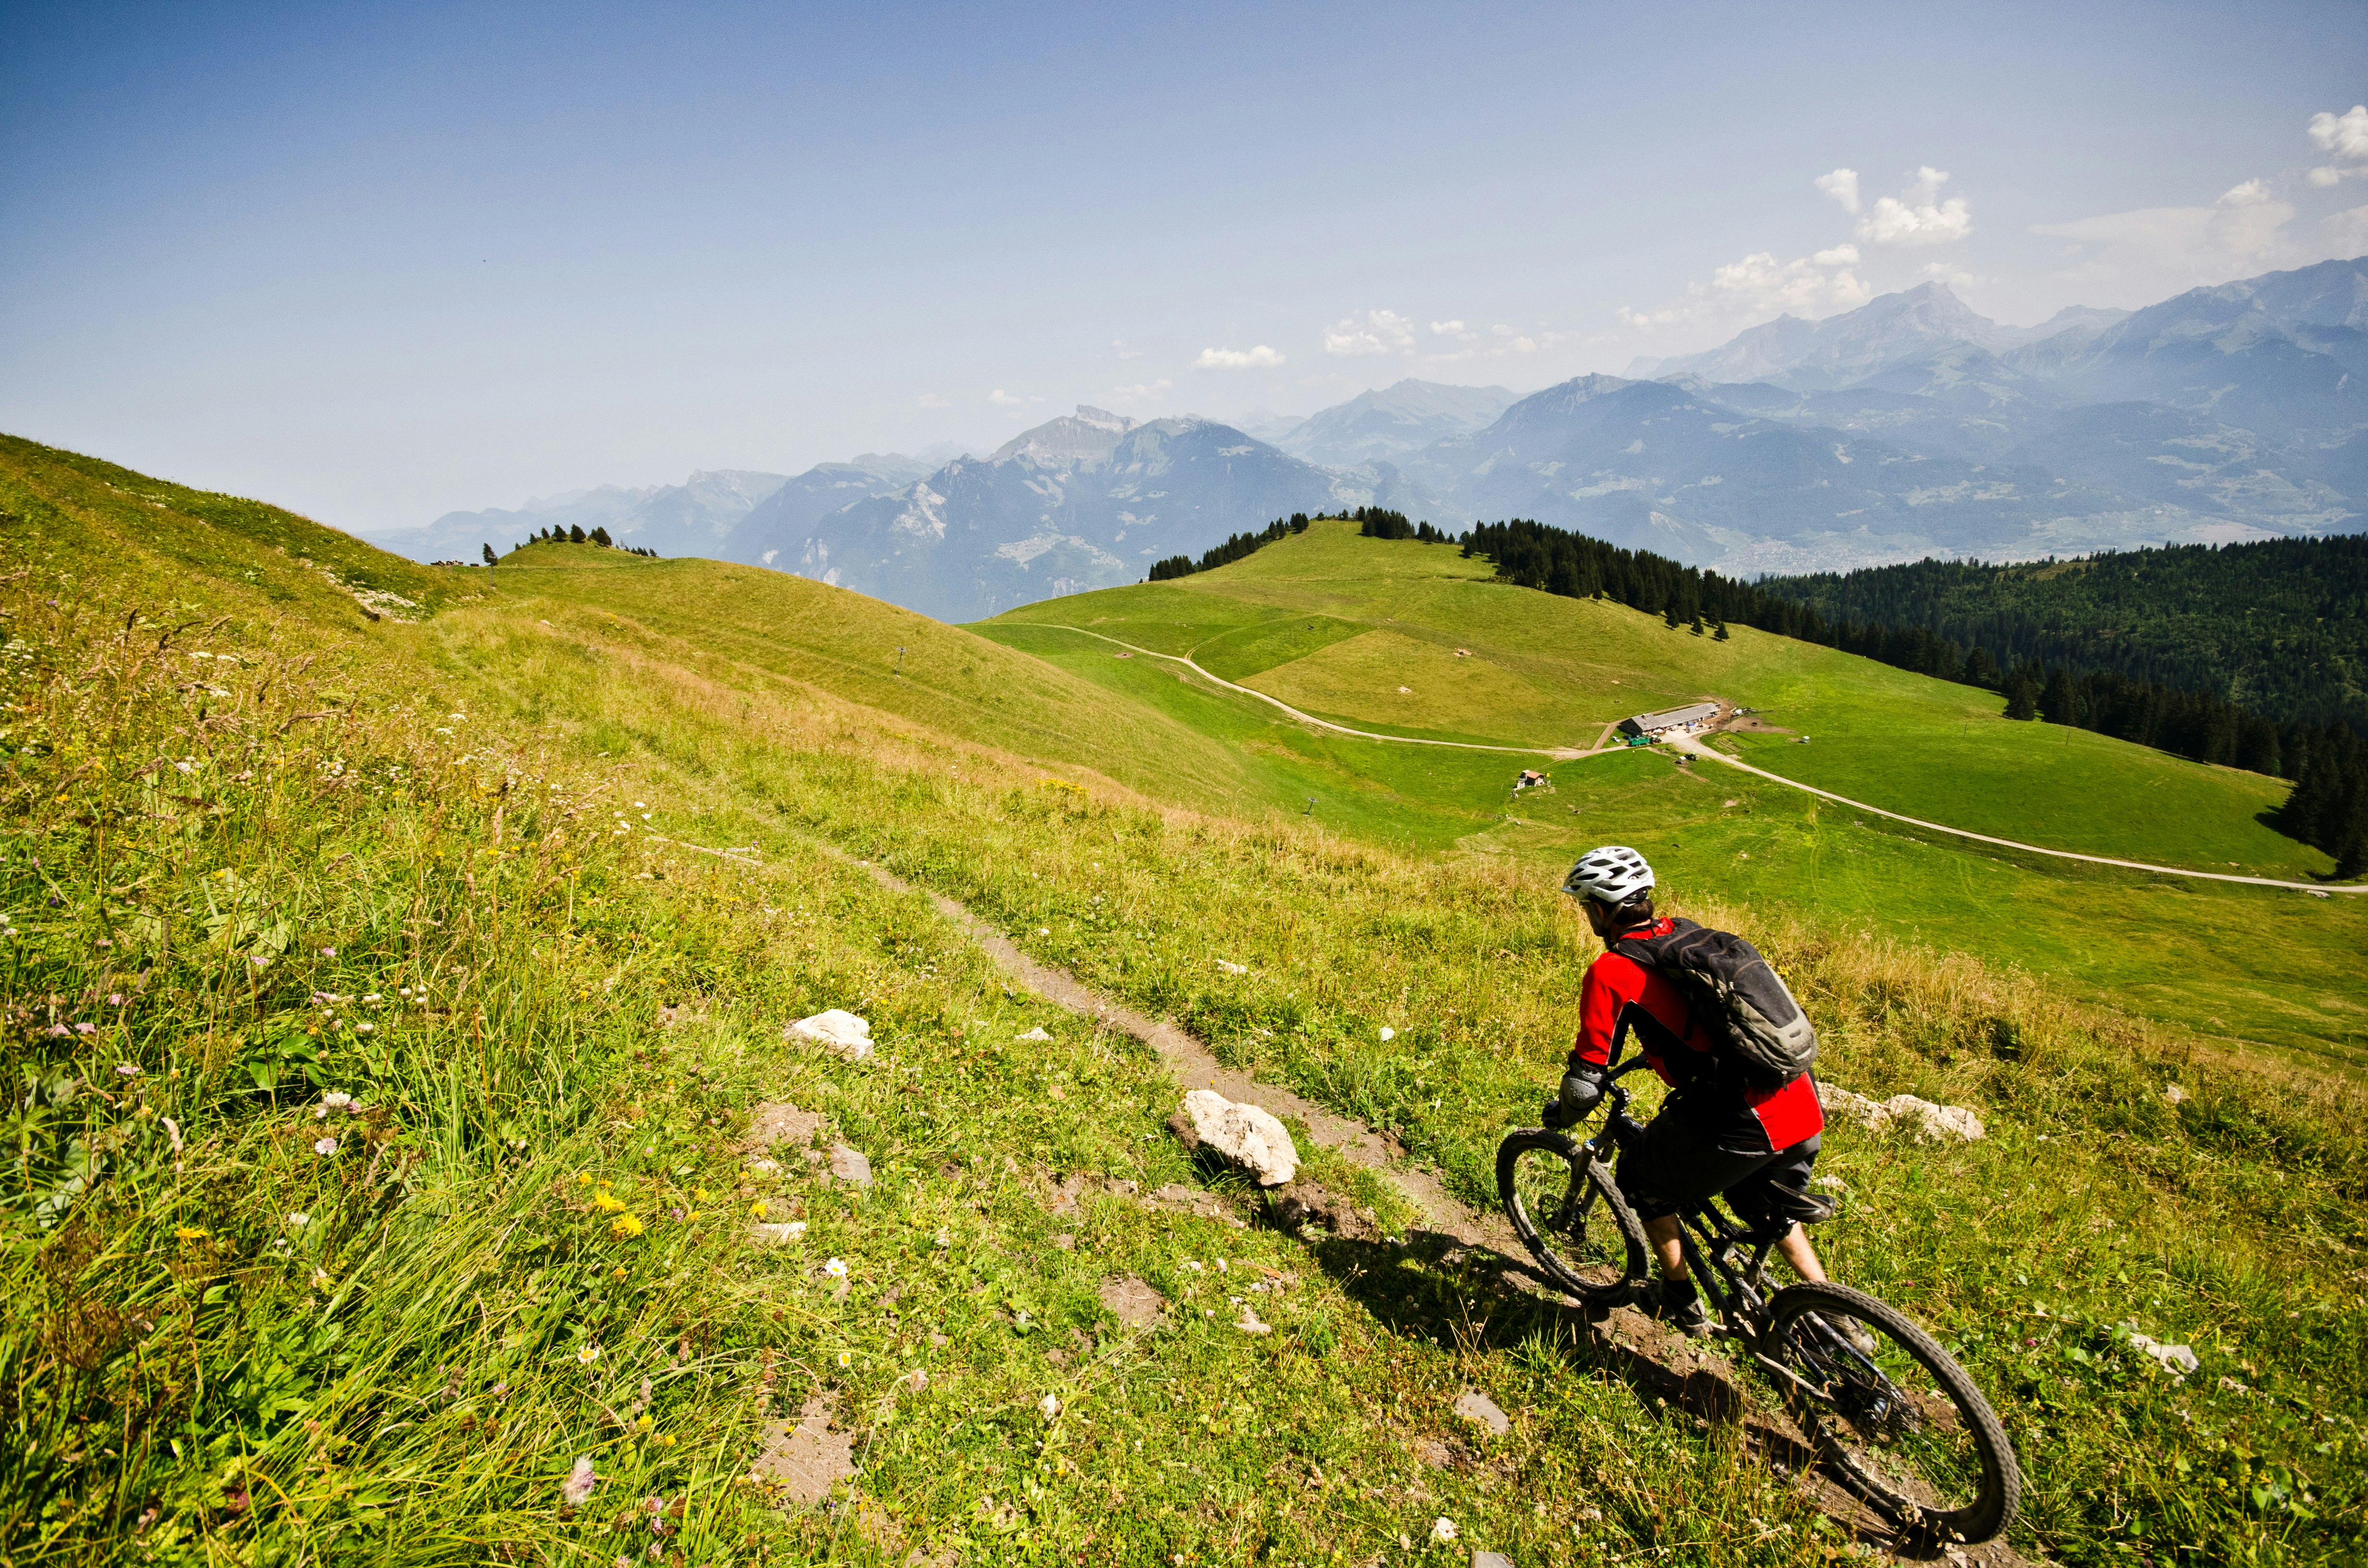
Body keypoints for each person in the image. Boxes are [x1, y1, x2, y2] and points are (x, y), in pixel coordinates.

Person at [1546, 845, 1831, 1335]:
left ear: (1599, 909)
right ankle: (1834, 1315)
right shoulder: (1687, 935)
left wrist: (1565, 1113)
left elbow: (1585, 1078)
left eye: (1584, 905)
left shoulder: (1612, 970)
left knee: (1640, 1182)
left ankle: (1678, 1297)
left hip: (1743, 1116)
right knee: (1767, 1207)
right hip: (1798, 1097)